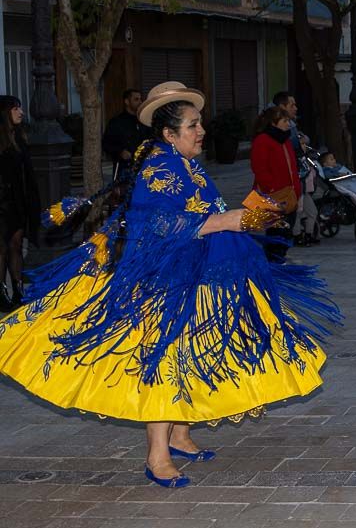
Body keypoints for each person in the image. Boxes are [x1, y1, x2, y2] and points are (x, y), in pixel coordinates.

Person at [0, 81, 338, 488]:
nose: (202, 132)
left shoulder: (185, 163)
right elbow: (163, 224)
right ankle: (156, 455)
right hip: (162, 278)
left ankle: (179, 435)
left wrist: (254, 211)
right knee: (164, 356)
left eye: (199, 124)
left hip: (195, 271)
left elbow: (203, 207)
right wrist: (233, 220)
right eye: (193, 126)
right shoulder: (160, 168)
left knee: (188, 349)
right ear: (169, 133)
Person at [0, 96, 38, 310]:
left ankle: (17, 289)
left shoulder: (19, 138)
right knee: (1, 248)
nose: (20, 112)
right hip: (2, 203)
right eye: (15, 108)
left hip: (17, 202)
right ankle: (2, 292)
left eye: (20, 108)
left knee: (15, 245)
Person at [250, 106, 302, 262]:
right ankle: (274, 259)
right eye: (284, 121)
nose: (288, 124)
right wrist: (271, 187)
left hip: (289, 193)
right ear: (274, 123)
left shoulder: (285, 140)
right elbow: (259, 168)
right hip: (273, 194)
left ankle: (280, 256)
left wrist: (296, 189)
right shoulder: (263, 140)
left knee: (287, 228)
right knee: (275, 230)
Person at [272, 92, 310, 239]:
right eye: (291, 105)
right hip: (279, 187)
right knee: (281, 221)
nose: (296, 108)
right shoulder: (268, 139)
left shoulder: (286, 137)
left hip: (291, 183)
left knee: (291, 215)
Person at [101, 89, 152, 181]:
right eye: (136, 99)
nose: (140, 102)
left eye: (141, 99)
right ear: (127, 102)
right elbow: (106, 144)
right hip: (125, 168)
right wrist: (120, 152)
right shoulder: (116, 122)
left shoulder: (144, 121)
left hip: (145, 167)